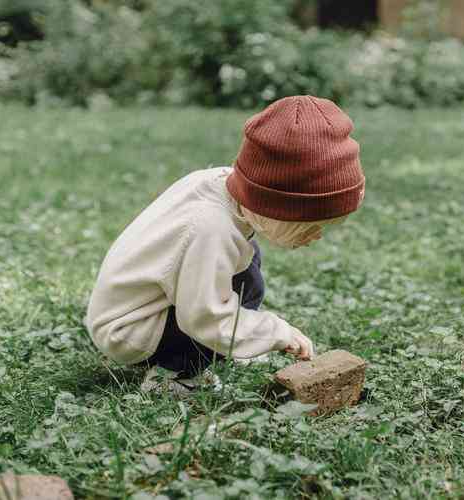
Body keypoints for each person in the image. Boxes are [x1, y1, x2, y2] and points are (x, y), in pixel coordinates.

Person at [84, 95, 365, 394]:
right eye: (311, 226)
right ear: (275, 206)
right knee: (227, 305)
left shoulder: (227, 189)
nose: (316, 236)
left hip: (149, 302)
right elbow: (204, 318)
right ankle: (172, 376)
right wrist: (275, 333)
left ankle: (225, 344)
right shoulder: (209, 229)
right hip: (129, 327)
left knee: (248, 271)